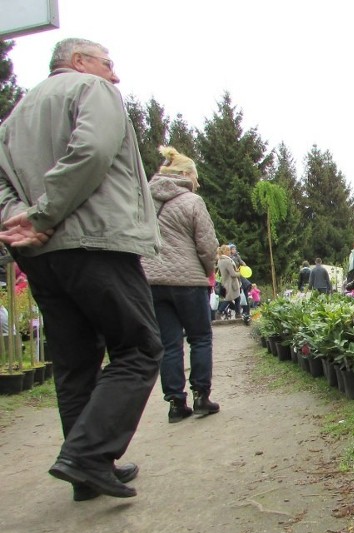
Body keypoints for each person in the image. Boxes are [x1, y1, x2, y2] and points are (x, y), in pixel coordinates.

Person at [0, 38, 163, 500]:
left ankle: (88, 473)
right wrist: (45, 214)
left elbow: (1, 184)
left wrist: (23, 222)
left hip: (41, 256)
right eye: (109, 63)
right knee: (139, 347)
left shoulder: (13, 117)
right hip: (95, 242)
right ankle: (88, 455)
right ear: (78, 62)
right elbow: (91, 151)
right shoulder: (92, 90)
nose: (115, 75)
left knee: (75, 363)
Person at [141, 146, 219, 423]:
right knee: (199, 337)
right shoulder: (192, 201)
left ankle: (175, 403)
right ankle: (201, 396)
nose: (197, 182)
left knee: (169, 344)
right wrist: (209, 271)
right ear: (185, 174)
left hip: (152, 281)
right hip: (188, 280)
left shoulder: (143, 201)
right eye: (195, 176)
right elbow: (207, 245)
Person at [216, 244, 242, 318]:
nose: (230, 251)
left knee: (237, 298)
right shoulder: (227, 261)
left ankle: (238, 314)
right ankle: (219, 312)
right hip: (231, 283)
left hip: (226, 282)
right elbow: (232, 274)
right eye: (228, 250)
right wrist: (239, 273)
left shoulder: (220, 260)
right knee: (228, 298)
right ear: (225, 251)